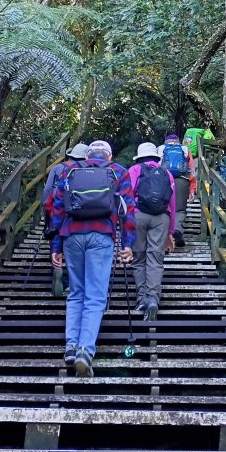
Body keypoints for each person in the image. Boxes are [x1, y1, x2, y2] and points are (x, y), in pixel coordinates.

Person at [49, 139, 136, 377]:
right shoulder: (118, 171)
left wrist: (55, 246)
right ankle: (85, 351)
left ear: (87, 156)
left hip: (72, 236)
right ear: (108, 155)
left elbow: (57, 209)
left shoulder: (69, 171)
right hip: (101, 236)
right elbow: (128, 209)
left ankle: (70, 347)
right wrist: (127, 244)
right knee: (95, 296)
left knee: (76, 292)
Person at [128, 142, 175, 322]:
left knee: (139, 257)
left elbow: (127, 196)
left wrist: (125, 224)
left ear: (140, 156)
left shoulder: (134, 170)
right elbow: (173, 204)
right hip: (161, 217)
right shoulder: (167, 173)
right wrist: (170, 232)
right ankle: (153, 298)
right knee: (155, 257)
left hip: (138, 215)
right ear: (157, 157)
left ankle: (141, 298)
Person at [43, 142, 88, 297]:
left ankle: (56, 270)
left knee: (55, 238)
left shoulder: (58, 168)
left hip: (55, 207)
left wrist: (46, 210)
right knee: (72, 242)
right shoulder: (85, 170)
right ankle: (70, 279)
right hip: (74, 212)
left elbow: (47, 189)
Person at [158, 133, 195, 248]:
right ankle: (177, 229)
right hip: (182, 180)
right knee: (180, 210)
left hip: (163, 180)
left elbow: (154, 166)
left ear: (166, 141)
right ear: (178, 141)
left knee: (163, 207)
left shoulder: (160, 149)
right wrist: (192, 189)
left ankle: (163, 235)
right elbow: (192, 170)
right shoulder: (185, 149)